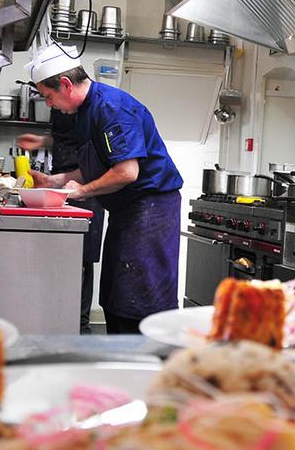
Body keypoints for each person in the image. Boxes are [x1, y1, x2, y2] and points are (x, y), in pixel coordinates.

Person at [18, 43, 183, 333]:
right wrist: (55, 182)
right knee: (116, 293)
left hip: (151, 209)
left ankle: (147, 364)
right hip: (127, 211)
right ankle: (121, 359)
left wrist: (81, 192)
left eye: (48, 96)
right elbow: (98, 165)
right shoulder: (84, 112)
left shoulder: (112, 108)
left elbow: (126, 172)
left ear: (66, 85)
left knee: (141, 297)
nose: (48, 104)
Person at [19, 107, 105, 335]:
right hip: (60, 183)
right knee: (62, 259)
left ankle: (79, 327)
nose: (47, 101)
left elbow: (96, 157)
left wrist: (63, 183)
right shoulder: (62, 107)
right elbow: (67, 138)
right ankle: (57, 320)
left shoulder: (90, 109)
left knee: (81, 260)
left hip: (84, 187)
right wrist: (43, 141)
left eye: (49, 95)